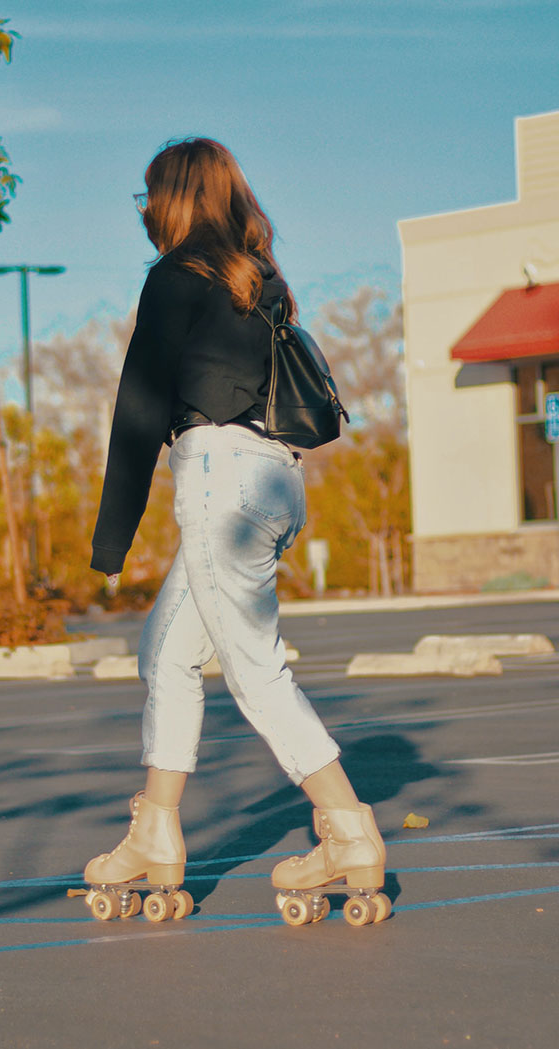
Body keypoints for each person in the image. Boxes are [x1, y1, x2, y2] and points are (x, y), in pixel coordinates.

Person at [85, 138, 386, 922]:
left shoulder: (174, 280)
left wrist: (112, 535)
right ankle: (155, 829)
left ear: (174, 199)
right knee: (168, 652)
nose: (145, 208)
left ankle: (348, 827)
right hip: (277, 483)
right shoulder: (260, 282)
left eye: (151, 194)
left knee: (254, 671)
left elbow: (140, 406)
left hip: (220, 480)